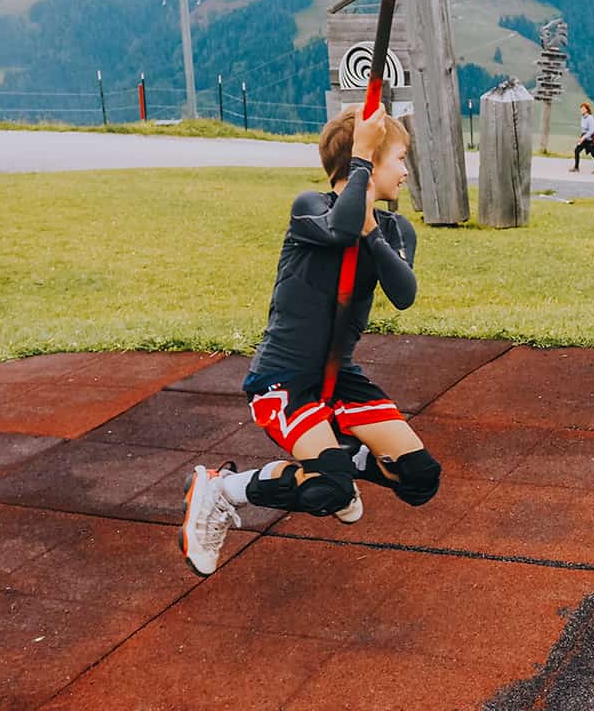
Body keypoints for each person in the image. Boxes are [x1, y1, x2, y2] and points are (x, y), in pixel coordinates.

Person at [180, 105, 440, 576]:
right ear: (369, 160)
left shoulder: (396, 228)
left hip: (339, 380)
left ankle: (339, 457)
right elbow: (341, 227)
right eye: (399, 159)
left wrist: (373, 233)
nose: (406, 171)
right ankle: (221, 490)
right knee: (329, 491)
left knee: (420, 477)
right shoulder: (310, 208)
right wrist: (361, 157)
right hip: (284, 380)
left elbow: (404, 294)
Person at [571, 101, 594, 173]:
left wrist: (584, 137)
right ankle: (576, 167)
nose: (582, 110)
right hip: (584, 138)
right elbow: (583, 129)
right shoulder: (583, 118)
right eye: (581, 108)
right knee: (577, 151)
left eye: (583, 108)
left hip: (590, 139)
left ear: (587, 109)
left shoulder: (590, 118)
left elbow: (591, 130)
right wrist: (581, 138)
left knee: (593, 154)